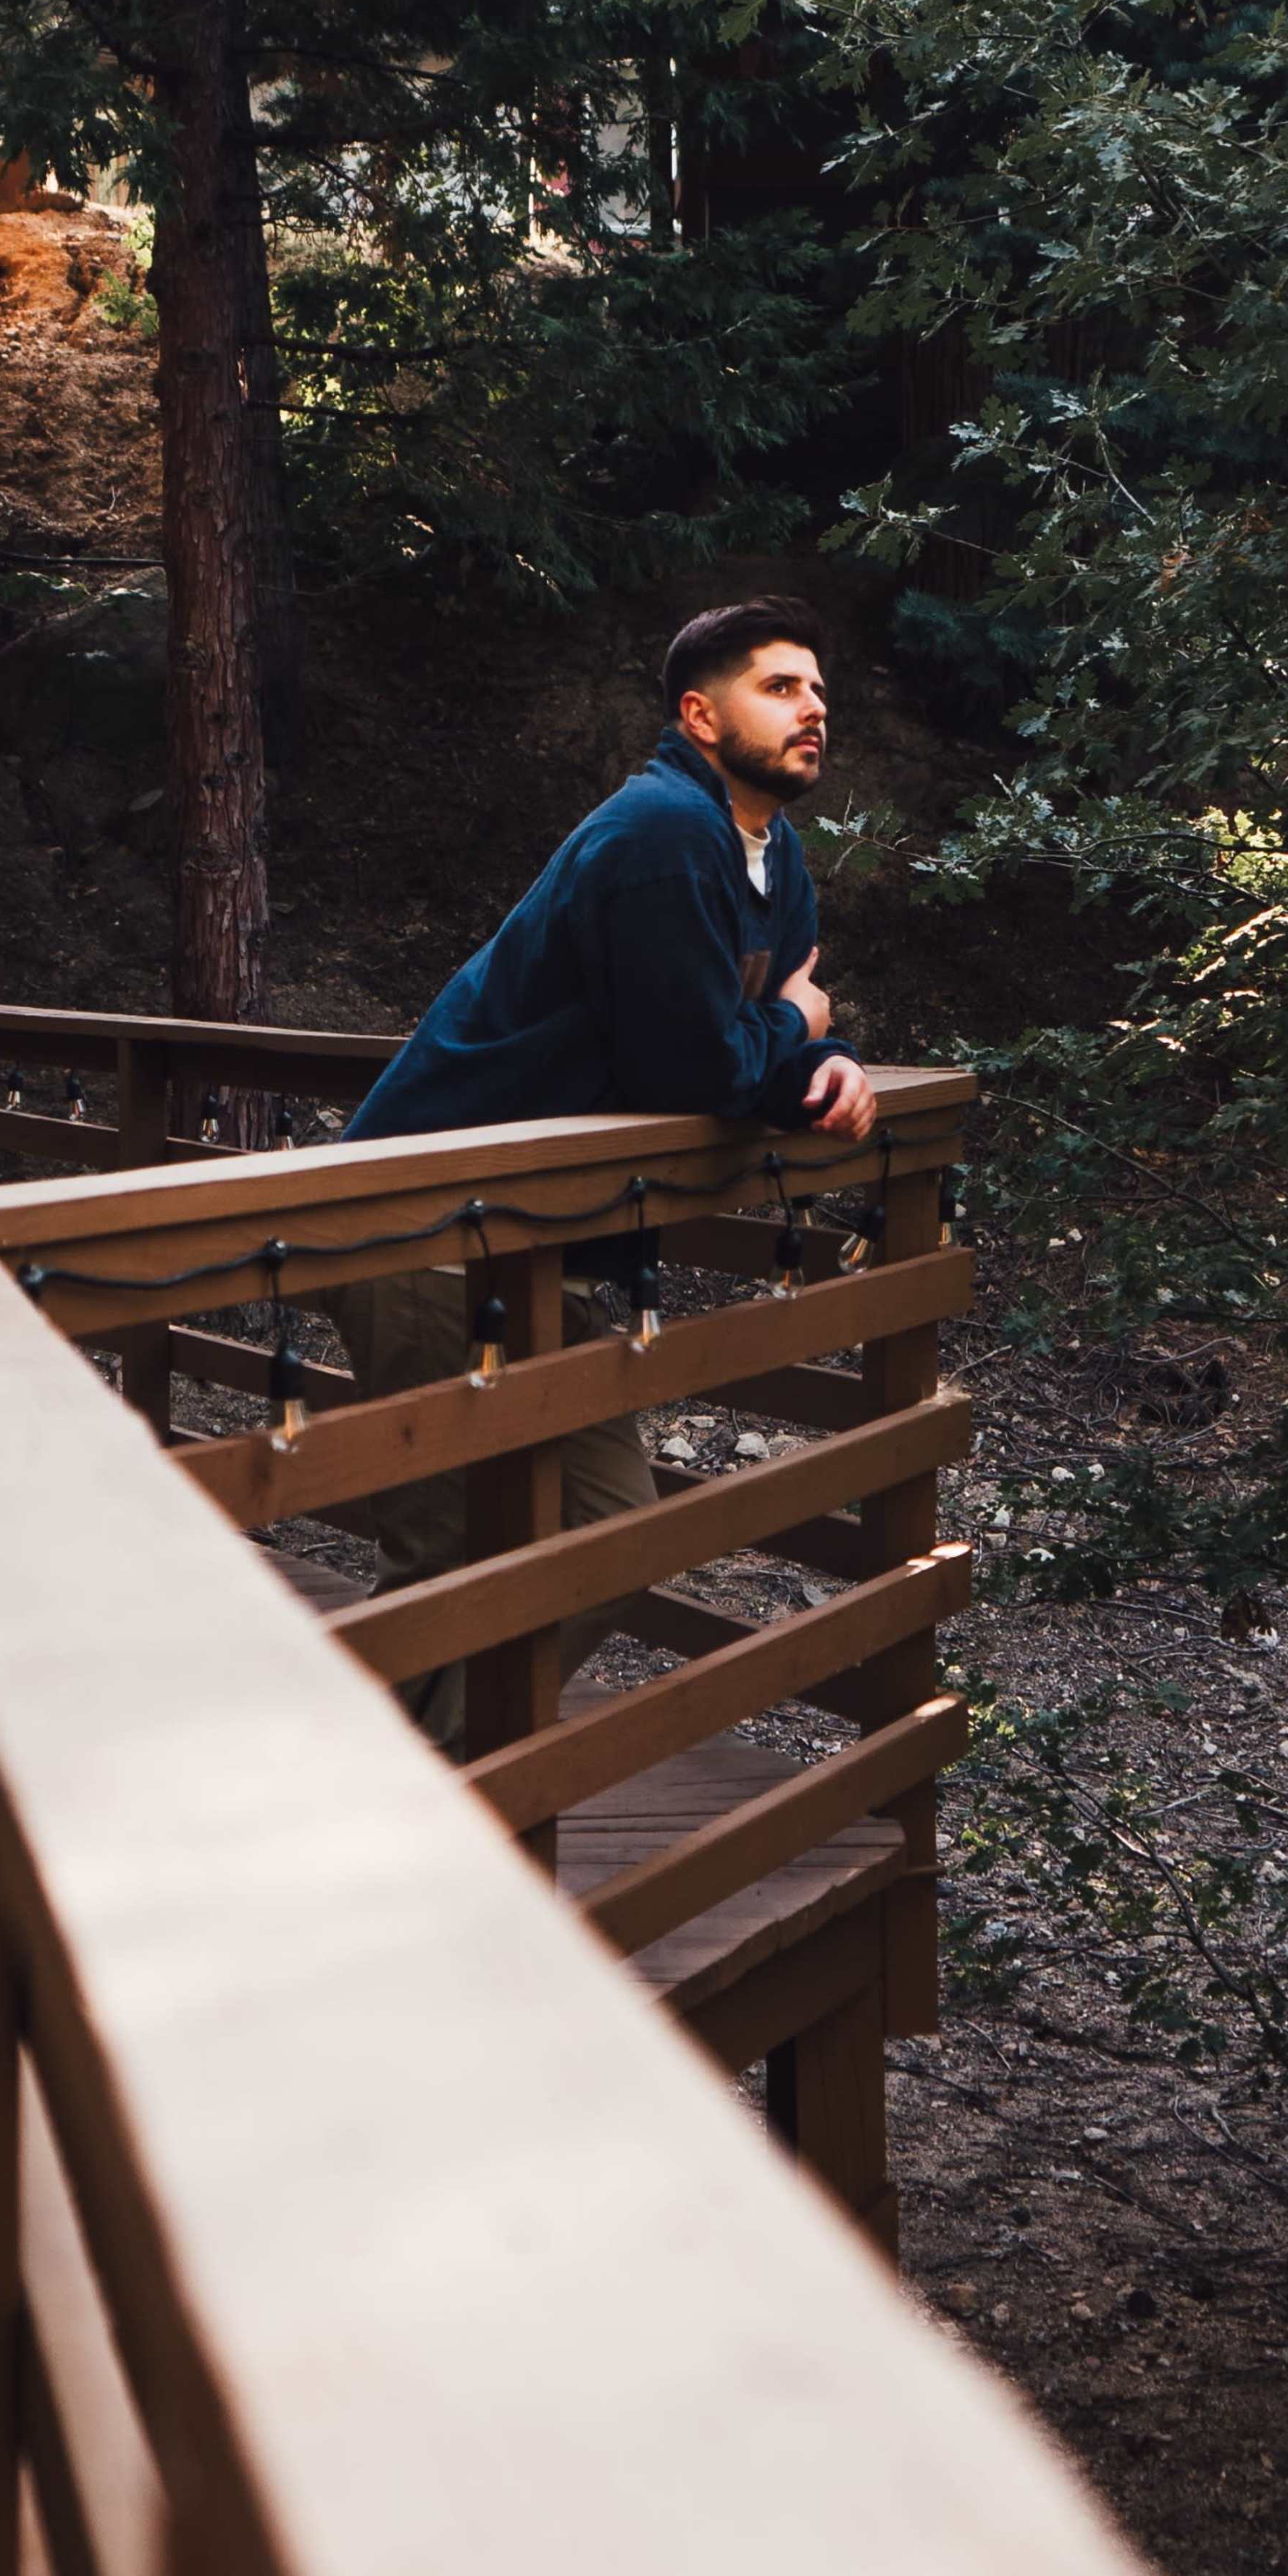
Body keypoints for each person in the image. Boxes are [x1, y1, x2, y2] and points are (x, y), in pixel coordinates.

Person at [331, 601, 877, 1748]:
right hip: (426, 1222)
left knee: (604, 1529)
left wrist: (822, 1056)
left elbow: (747, 1036)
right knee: (448, 1555)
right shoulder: (661, 834)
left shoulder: (772, 857)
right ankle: (353, 1820)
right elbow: (698, 1067)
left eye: (819, 690)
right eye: (780, 687)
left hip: (542, 1235)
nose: (814, 707)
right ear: (699, 713)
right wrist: (794, 1022)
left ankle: (421, 1789)